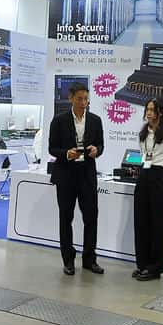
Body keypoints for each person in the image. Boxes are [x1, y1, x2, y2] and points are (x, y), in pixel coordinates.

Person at [48, 82, 105, 276]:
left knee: (91, 217)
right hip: (66, 175)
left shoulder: (95, 120)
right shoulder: (59, 120)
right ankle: (68, 260)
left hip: (87, 175)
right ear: (71, 98)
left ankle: (90, 259)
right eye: (79, 99)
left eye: (86, 99)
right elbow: (52, 148)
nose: (83, 102)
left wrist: (97, 150)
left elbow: (101, 145)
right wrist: (66, 153)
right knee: (66, 218)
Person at [133, 98, 163, 282]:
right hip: (145, 175)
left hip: (162, 176)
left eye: (152, 110)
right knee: (141, 221)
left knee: (158, 224)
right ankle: (142, 264)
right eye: (147, 109)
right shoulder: (143, 132)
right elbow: (143, 154)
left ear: (161, 112)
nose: (148, 113)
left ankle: (155, 267)